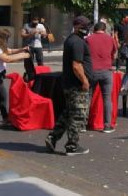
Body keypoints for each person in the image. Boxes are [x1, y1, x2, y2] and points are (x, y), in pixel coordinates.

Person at [46, 16, 93, 156]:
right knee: (78, 115)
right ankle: (72, 146)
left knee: (68, 113)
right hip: (76, 85)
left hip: (69, 83)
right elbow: (76, 65)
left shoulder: (72, 40)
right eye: (84, 26)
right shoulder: (77, 42)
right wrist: (85, 81)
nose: (87, 29)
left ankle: (53, 137)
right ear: (77, 26)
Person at [86, 22, 117, 133]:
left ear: (95, 29)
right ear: (104, 29)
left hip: (92, 71)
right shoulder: (110, 39)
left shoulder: (88, 39)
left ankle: (83, 123)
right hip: (106, 71)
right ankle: (107, 125)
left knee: (88, 97)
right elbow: (114, 54)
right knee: (107, 99)